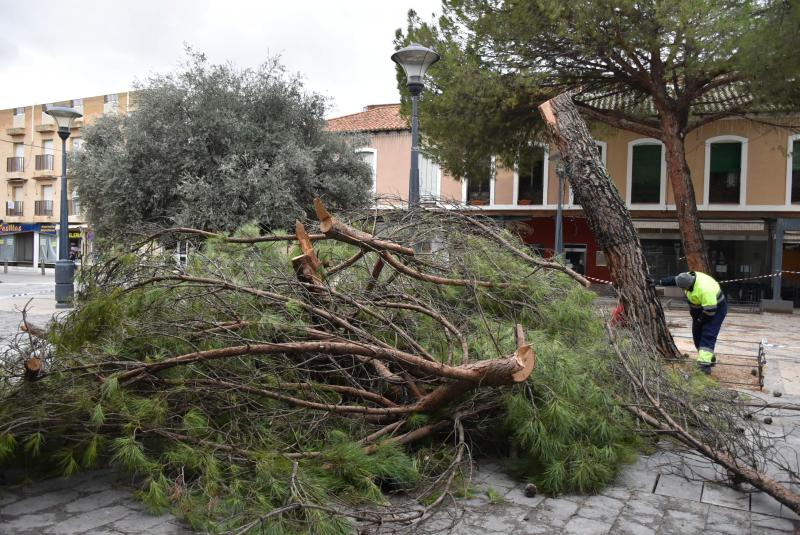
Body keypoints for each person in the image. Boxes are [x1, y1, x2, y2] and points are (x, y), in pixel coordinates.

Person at [658, 271, 727, 374]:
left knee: (708, 334)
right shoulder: (686, 277)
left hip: (715, 310)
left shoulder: (705, 289)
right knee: (697, 334)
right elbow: (674, 280)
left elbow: (710, 311)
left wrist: (700, 320)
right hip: (700, 309)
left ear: (689, 286)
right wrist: (658, 282)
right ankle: (709, 357)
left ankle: (704, 366)